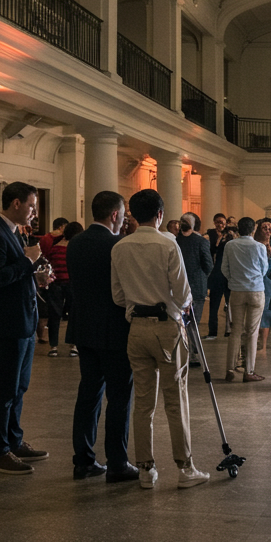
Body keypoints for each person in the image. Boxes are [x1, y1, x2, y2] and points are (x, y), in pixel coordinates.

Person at [111, 189, 208, 489]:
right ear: (160, 215)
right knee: (175, 400)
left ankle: (145, 469)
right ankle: (185, 468)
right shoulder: (168, 244)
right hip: (167, 328)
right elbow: (183, 293)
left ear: (133, 214)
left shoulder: (120, 247)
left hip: (136, 329)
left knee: (142, 402)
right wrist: (180, 306)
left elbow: (118, 296)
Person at [0, 181, 50, 475]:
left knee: (19, 387)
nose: (34, 212)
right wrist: (28, 262)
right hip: (7, 323)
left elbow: (17, 274)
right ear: (16, 203)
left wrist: (37, 277)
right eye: (31, 205)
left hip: (24, 322)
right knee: (4, 389)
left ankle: (14, 441)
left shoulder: (14, 232)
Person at [65, 190, 138, 483]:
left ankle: (83, 460)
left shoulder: (75, 243)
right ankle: (118, 462)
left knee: (88, 393)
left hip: (83, 328)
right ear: (114, 215)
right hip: (115, 330)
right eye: (123, 215)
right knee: (119, 397)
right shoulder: (118, 245)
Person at [222, 216, 269, 382]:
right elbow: (264, 268)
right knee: (252, 331)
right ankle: (249, 371)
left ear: (238, 229)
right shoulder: (259, 246)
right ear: (253, 230)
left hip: (236, 290)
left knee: (235, 330)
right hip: (256, 290)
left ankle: (230, 368)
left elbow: (224, 268)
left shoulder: (230, 245)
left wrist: (234, 280)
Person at [176, 212, 213, 367]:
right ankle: (192, 354)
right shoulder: (201, 241)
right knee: (194, 323)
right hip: (196, 288)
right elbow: (208, 265)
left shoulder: (174, 241)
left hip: (178, 287)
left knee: (180, 322)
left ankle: (182, 353)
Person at [44, 220, 83, 357]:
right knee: (74, 314)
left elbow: (49, 263)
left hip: (55, 284)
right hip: (72, 284)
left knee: (54, 315)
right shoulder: (76, 248)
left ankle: (53, 346)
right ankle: (74, 345)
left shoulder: (55, 247)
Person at [205, 213, 231, 339]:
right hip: (216, 274)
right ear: (214, 222)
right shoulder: (210, 235)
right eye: (218, 222)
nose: (220, 225)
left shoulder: (230, 236)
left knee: (230, 304)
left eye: (222, 222)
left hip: (228, 275)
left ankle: (229, 330)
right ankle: (212, 331)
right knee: (214, 305)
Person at [256, 218, 271, 351]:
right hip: (256, 280)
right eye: (264, 228)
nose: (267, 231)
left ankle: (263, 343)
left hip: (270, 281)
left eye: (270, 229)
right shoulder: (254, 244)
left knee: (268, 311)